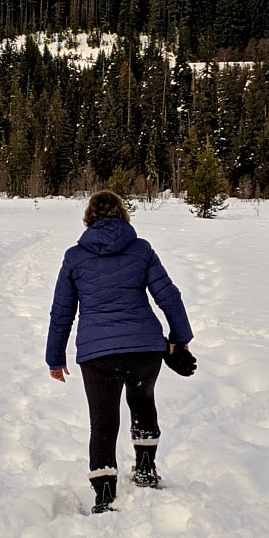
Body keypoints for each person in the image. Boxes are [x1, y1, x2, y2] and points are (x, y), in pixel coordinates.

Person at [45, 190, 194, 514]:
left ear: (88, 217)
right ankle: (145, 469)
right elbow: (169, 297)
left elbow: (62, 312)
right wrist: (180, 339)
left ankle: (104, 495)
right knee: (143, 402)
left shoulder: (75, 257)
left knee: (102, 422)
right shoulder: (141, 251)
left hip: (97, 355)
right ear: (123, 214)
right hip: (144, 349)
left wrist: (55, 358)